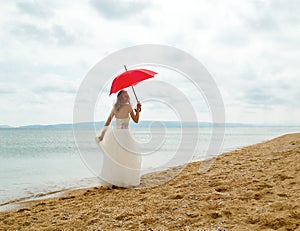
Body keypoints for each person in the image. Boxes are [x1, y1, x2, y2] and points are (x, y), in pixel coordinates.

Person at [96, 90, 142, 188]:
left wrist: (102, 135)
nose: (127, 97)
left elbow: (107, 122)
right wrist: (137, 110)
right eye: (125, 96)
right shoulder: (129, 107)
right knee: (125, 158)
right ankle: (122, 180)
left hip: (116, 135)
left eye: (127, 95)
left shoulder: (115, 108)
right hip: (125, 135)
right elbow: (136, 120)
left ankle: (116, 180)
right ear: (121, 98)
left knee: (118, 158)